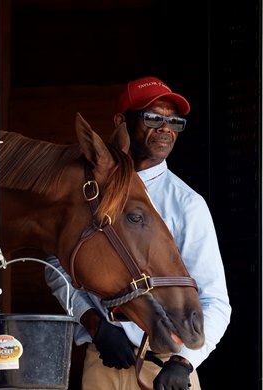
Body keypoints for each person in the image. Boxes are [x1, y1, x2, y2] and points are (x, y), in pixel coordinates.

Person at [45, 76, 231, 390]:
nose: (166, 129)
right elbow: (56, 265)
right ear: (122, 122)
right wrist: (94, 325)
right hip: (103, 358)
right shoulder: (88, 191)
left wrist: (183, 364)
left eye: (174, 122)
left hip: (165, 367)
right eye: (153, 118)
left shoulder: (187, 204)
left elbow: (215, 300)